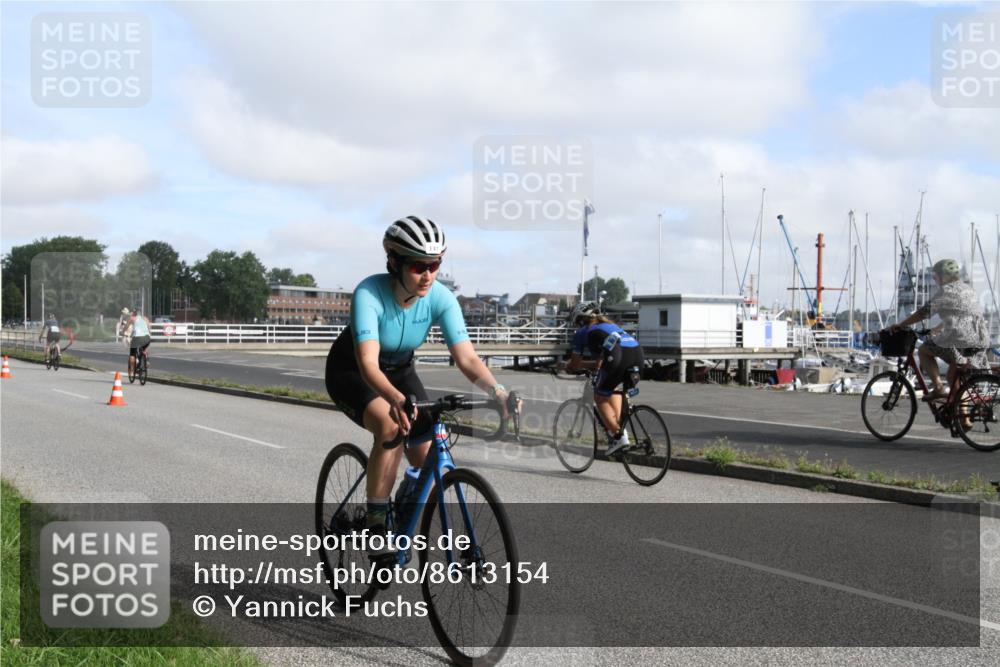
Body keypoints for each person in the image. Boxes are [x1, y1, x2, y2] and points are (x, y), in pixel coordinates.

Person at [325, 215, 512, 545]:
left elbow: (467, 358)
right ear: (394, 263)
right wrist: (395, 400)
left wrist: (496, 390)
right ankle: (377, 525)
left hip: (400, 370)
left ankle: (403, 506)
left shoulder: (440, 298)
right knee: (391, 427)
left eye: (435, 265)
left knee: (428, 459)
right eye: (418, 266)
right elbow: (368, 364)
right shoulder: (369, 293)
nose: (428, 275)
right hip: (353, 371)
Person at [891, 258, 989, 401]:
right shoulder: (968, 289)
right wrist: (937, 328)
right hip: (980, 338)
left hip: (960, 339)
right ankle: (964, 419)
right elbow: (960, 314)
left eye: (935, 276)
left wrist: (900, 325)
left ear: (944, 276)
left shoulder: (945, 291)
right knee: (952, 376)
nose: (935, 279)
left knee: (924, 351)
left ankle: (938, 388)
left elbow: (923, 313)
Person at [561, 302, 644, 456]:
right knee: (612, 389)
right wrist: (589, 365)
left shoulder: (583, 332)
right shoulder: (609, 327)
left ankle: (619, 436)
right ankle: (618, 430)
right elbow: (600, 362)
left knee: (599, 396)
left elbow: (575, 363)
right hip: (637, 355)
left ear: (580, 320)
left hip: (619, 357)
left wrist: (567, 366)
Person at [127, 309, 152, 377]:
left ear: (133, 314)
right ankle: (146, 360)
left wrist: (123, 332)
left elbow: (126, 327)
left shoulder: (132, 318)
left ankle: (132, 371)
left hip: (137, 338)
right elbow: (149, 329)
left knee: (132, 354)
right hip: (147, 337)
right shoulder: (145, 318)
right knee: (144, 348)